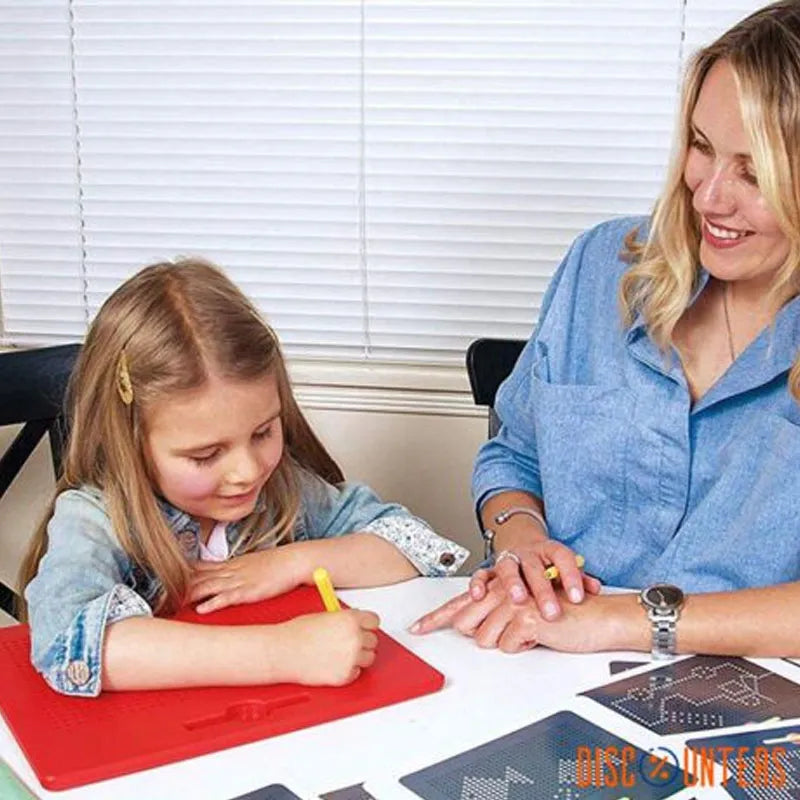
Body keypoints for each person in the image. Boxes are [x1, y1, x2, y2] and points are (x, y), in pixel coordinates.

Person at [411, 0, 800, 659]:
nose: (709, 196)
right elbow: (516, 454)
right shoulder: (602, 263)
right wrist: (522, 541)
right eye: (702, 148)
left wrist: (628, 622)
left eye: (756, 172)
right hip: (541, 667)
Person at [21, 259, 468, 697]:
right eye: (206, 455)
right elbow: (68, 646)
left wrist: (291, 563)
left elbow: (414, 546)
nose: (248, 471)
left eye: (263, 433)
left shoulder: (283, 490)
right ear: (128, 440)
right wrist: (282, 653)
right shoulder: (95, 519)